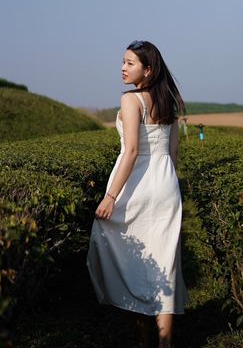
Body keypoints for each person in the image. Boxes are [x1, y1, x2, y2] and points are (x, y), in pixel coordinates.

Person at [87, 40, 187, 348]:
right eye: (123, 61)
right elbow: (172, 153)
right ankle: (166, 342)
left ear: (148, 70)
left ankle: (144, 339)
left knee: (131, 257)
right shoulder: (168, 99)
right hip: (166, 184)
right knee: (166, 260)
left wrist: (111, 196)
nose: (123, 67)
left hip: (137, 186)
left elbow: (130, 151)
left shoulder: (131, 100)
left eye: (130, 63)